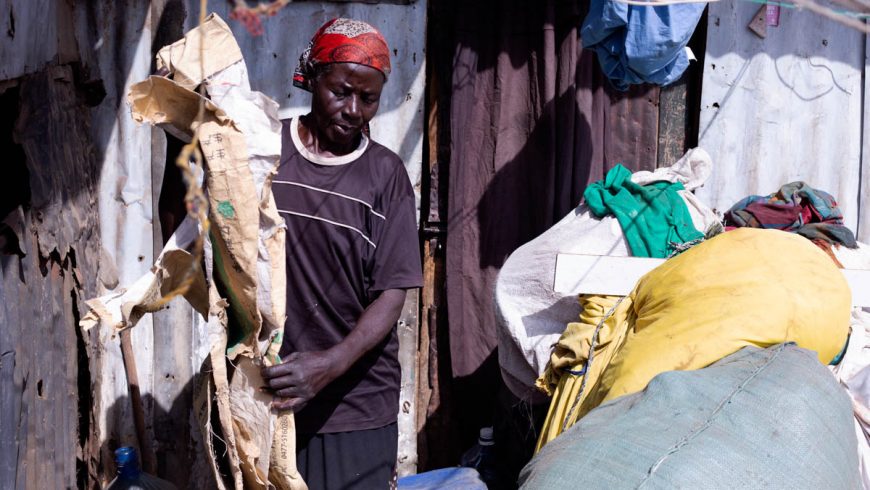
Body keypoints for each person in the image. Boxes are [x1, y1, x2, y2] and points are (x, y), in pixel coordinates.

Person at [260, 18, 423, 490]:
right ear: (313, 79)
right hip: (271, 387)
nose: (353, 110)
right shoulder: (267, 151)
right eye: (341, 91)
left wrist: (329, 365)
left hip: (353, 403)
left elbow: (392, 295)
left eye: (368, 99)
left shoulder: (385, 176)